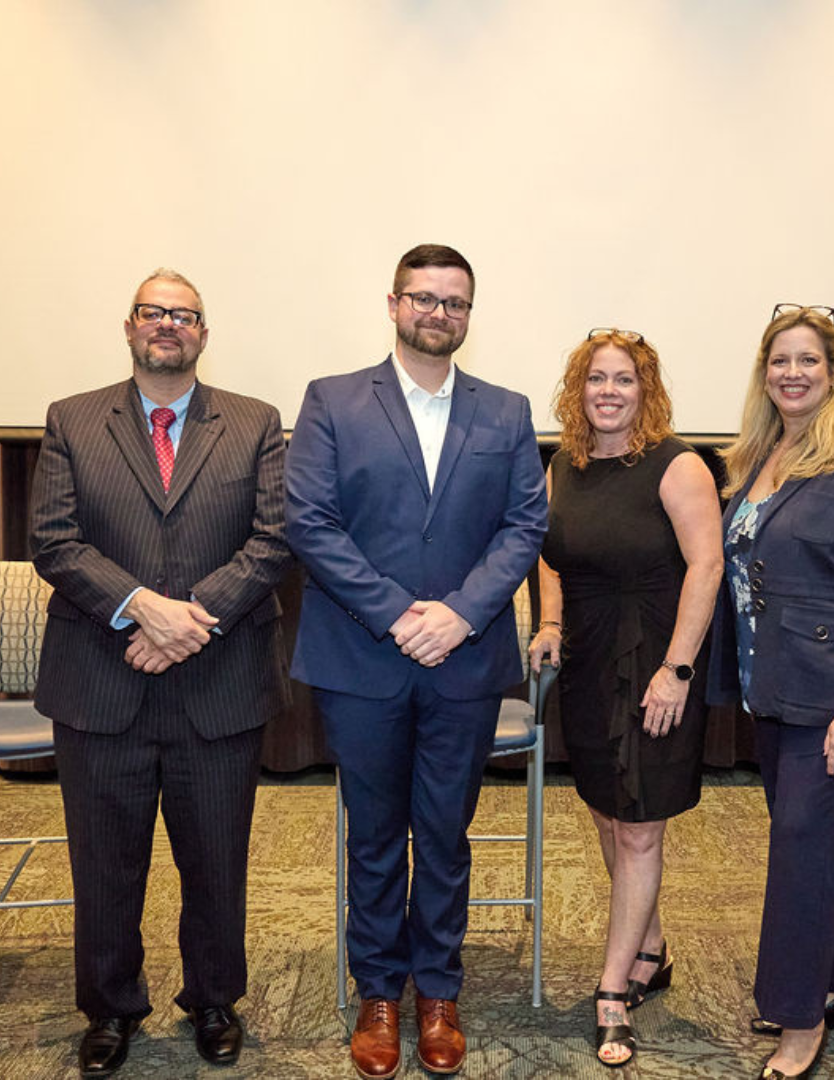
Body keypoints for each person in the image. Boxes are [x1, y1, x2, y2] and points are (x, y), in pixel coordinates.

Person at [285, 243, 547, 1079]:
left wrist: (461, 614)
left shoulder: (505, 411)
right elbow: (310, 521)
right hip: (362, 657)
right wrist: (399, 614)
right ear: (394, 304)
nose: (439, 312)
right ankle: (379, 993)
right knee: (372, 836)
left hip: (463, 663)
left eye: (454, 302)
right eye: (424, 298)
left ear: (469, 315)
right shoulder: (331, 400)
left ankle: (437, 990)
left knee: (443, 834)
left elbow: (524, 526)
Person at [29, 269, 292, 1077]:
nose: (168, 324)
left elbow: (274, 540)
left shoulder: (254, 422)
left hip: (218, 683)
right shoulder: (73, 419)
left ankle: (214, 1001)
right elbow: (54, 540)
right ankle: (110, 1008)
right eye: (154, 312)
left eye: (185, 314)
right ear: (130, 326)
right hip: (101, 681)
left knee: (216, 859)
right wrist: (143, 607)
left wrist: (188, 621)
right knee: (104, 864)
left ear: (204, 333)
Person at [707, 304, 834, 1079]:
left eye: (808, 360)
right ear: (764, 373)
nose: (792, 373)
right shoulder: (761, 454)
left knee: (799, 846)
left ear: (832, 372)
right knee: (815, 840)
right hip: (773, 688)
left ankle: (799, 1017)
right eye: (779, 360)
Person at [528, 329, 723, 1068]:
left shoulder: (678, 466)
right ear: (578, 389)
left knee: (640, 825)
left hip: (654, 662)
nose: (608, 392)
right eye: (596, 379)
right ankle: (650, 945)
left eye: (624, 380)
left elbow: (706, 566)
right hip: (587, 661)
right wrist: (551, 622)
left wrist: (677, 669)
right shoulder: (564, 466)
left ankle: (613, 990)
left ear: (647, 391)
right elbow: (548, 553)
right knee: (609, 814)